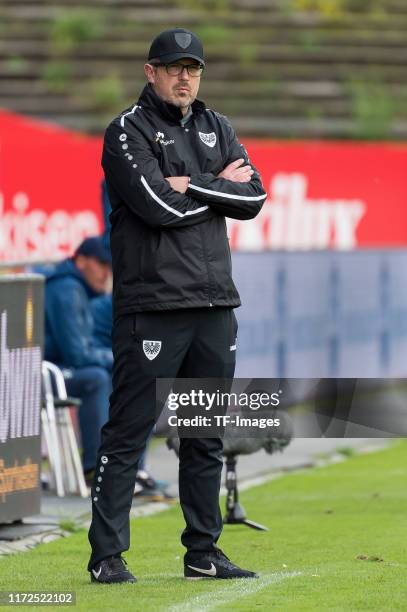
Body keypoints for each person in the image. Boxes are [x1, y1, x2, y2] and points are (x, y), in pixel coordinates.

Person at [87, 27, 267, 584]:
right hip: (154, 306)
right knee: (129, 431)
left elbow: (255, 197)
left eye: (193, 68)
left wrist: (193, 183)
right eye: (173, 67)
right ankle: (107, 556)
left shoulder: (220, 126)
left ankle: (203, 552)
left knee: (205, 434)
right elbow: (154, 206)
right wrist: (217, 189)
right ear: (151, 72)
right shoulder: (126, 131)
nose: (184, 76)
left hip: (215, 304)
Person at [91, 292, 174, 501]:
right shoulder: (104, 305)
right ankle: (114, 475)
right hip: (109, 368)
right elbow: (81, 350)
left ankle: (139, 470)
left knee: (148, 402)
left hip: (121, 363)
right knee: (129, 412)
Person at [44, 236, 112, 481]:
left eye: (110, 266)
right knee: (96, 378)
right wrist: (116, 358)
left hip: (55, 369)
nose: (106, 272)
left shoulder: (78, 288)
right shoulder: (66, 289)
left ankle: (127, 467)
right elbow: (78, 354)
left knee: (124, 376)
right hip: (36, 375)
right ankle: (95, 468)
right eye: (102, 264)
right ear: (81, 261)